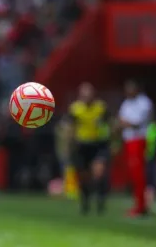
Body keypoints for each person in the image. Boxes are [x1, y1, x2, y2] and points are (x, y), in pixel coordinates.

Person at [68, 82, 110, 215]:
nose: (86, 96)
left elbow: (110, 124)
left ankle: (101, 200)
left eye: (89, 92)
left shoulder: (101, 107)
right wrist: (70, 145)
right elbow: (71, 127)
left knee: (99, 173)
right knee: (84, 177)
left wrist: (114, 141)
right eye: (84, 93)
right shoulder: (75, 108)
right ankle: (85, 202)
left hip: (98, 144)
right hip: (82, 145)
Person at [118, 80, 152, 217]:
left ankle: (141, 205)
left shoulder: (144, 103)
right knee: (132, 174)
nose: (128, 92)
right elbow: (121, 120)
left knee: (139, 175)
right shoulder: (126, 103)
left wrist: (125, 123)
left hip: (138, 140)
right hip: (128, 140)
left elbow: (136, 124)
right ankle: (138, 203)